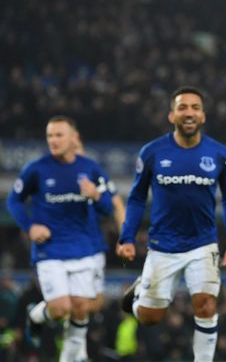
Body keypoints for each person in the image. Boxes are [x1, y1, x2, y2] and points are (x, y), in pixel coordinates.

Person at [116, 86, 226, 362]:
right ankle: (140, 293)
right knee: (151, 318)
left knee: (206, 304)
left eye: (195, 108)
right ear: (171, 115)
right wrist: (126, 237)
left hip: (203, 242)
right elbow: (137, 198)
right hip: (163, 245)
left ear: (203, 116)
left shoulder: (221, 155)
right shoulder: (152, 153)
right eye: (183, 107)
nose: (189, 113)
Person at [6, 115, 115, 361]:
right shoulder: (37, 169)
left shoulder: (90, 168)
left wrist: (96, 196)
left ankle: (70, 356)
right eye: (50, 136)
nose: (53, 140)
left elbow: (108, 208)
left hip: (84, 249)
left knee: (80, 308)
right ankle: (36, 315)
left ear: (73, 137)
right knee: (60, 308)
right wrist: (29, 226)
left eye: (59, 135)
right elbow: (13, 200)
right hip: (50, 249)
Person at [71, 132, 126, 360]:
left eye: (77, 146)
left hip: (90, 247)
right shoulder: (46, 171)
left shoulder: (92, 172)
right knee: (69, 304)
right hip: (58, 250)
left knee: (94, 302)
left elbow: (116, 203)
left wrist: (126, 237)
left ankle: (77, 350)